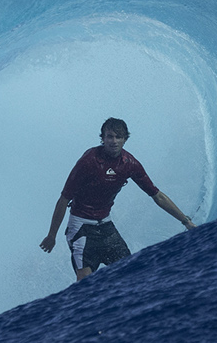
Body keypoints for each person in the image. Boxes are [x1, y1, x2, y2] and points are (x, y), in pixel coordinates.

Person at [40, 117, 196, 280]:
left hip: (106, 227)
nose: (113, 141)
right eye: (109, 136)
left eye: (118, 137)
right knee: (85, 284)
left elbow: (157, 196)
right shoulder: (89, 160)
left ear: (125, 139)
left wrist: (186, 221)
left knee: (131, 274)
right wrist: (52, 235)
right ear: (103, 138)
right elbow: (64, 199)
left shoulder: (129, 163)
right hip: (81, 228)